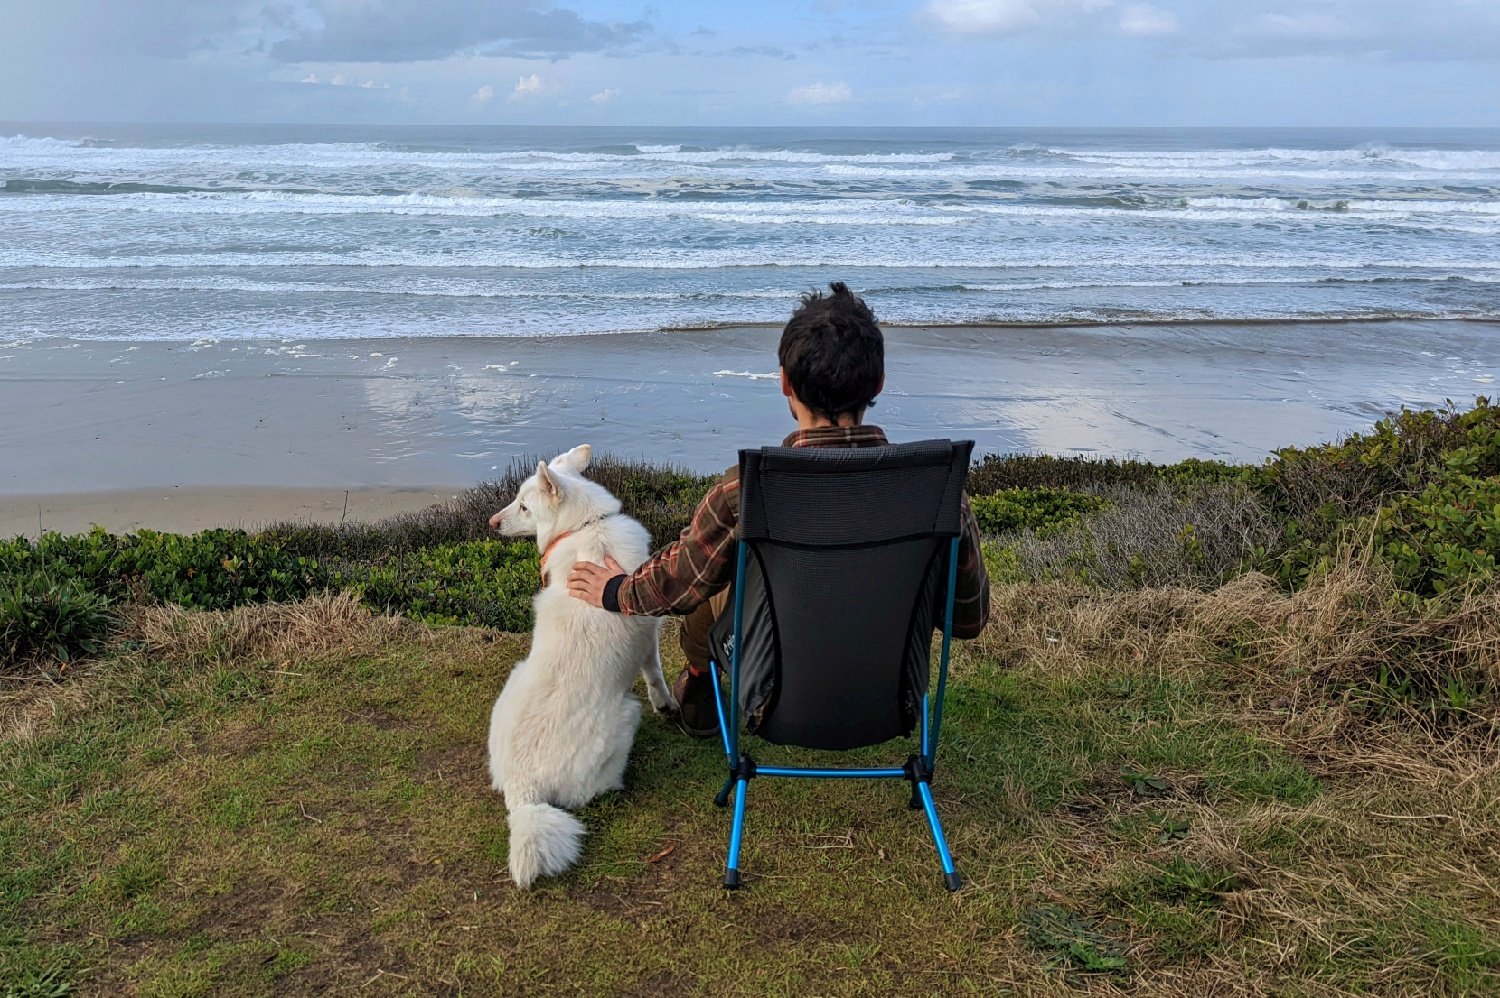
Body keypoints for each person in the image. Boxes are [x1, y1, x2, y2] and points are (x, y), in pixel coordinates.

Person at [566, 282, 990, 737]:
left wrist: (615, 591)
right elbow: (967, 620)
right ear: (879, 383)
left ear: (785, 382)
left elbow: (679, 585)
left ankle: (699, 682)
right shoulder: (939, 494)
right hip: (896, 701)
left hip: (769, 702)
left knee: (711, 581)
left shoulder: (745, 492)